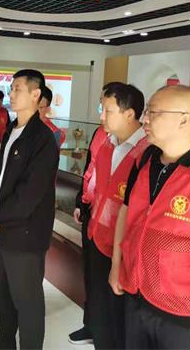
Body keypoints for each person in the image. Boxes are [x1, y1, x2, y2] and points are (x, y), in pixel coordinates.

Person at [110, 85, 190, 350]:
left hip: (181, 313)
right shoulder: (145, 160)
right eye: (146, 112)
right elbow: (126, 213)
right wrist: (116, 265)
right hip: (136, 295)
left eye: (153, 112)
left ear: (184, 119)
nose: (145, 120)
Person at [0, 69, 59, 350]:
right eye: (11, 88)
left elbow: (30, 193)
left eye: (17, 89)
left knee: (27, 303)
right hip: (0, 230)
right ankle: (3, 344)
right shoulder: (12, 130)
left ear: (36, 94)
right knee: (3, 298)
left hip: (24, 234)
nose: (11, 94)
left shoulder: (43, 139)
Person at [80, 83, 148, 350]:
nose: (101, 116)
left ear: (129, 114)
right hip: (98, 237)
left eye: (108, 111)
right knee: (100, 313)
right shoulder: (107, 144)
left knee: (120, 320)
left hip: (126, 248)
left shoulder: (147, 152)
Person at [68, 82, 119, 346]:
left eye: (106, 107)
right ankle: (91, 324)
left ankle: (104, 330)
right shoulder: (100, 133)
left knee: (106, 276)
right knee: (90, 271)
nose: (101, 113)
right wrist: (80, 200)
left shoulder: (136, 145)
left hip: (113, 220)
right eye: (101, 106)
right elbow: (90, 168)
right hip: (92, 209)